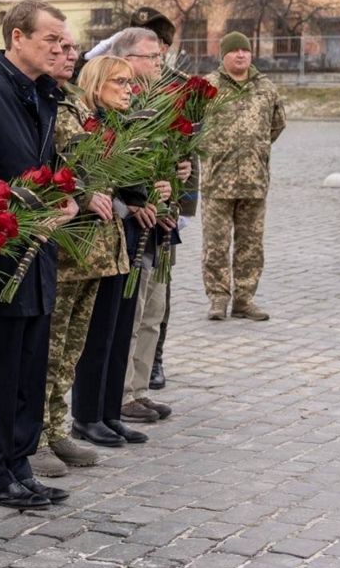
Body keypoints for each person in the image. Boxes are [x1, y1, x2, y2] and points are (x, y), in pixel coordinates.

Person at [0, 0, 79, 512]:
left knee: (30, 367)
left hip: (40, 255)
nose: (59, 48)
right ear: (17, 38)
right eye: (50, 38)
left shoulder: (43, 95)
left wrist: (63, 197)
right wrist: (12, 214)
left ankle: (20, 464)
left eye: (62, 40)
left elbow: (45, 166)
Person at [67, 56, 174, 450]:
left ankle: (110, 411)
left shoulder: (124, 125)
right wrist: (131, 201)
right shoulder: (88, 127)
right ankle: (87, 415)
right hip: (96, 245)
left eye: (131, 82)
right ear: (97, 85)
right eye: (120, 82)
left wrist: (159, 191)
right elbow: (89, 182)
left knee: (117, 329)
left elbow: (136, 180)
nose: (129, 89)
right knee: (96, 334)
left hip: (126, 244)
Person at [29, 30, 107, 479]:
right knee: (50, 348)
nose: (67, 55)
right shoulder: (47, 104)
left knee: (69, 349)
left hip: (88, 244)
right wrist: (83, 188)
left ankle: (57, 427)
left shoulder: (75, 102)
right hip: (61, 241)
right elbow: (58, 165)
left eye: (73, 49)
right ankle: (36, 435)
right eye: (58, 48)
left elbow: (93, 159)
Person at [107, 27, 183, 426]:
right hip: (131, 225)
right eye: (151, 57)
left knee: (153, 312)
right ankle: (119, 394)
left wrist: (176, 183)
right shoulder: (116, 103)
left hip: (160, 224)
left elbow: (171, 160)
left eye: (159, 57)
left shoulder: (159, 103)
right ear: (127, 59)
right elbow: (109, 167)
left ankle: (138, 389)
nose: (159, 63)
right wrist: (135, 201)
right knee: (132, 315)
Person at [201, 32, 286, 321]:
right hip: (217, 181)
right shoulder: (207, 87)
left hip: (254, 182)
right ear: (223, 55)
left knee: (251, 246)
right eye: (235, 50)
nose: (241, 55)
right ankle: (217, 299)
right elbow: (189, 125)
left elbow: (277, 125)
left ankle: (244, 300)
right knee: (216, 245)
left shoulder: (266, 87)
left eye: (245, 51)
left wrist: (255, 151)